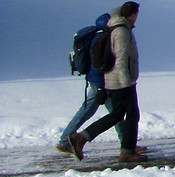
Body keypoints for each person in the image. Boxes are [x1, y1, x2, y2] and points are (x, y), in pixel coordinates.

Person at [55, 12, 144, 155]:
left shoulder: (99, 35)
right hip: (102, 82)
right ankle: (127, 145)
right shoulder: (103, 38)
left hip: (97, 81)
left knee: (93, 111)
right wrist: (102, 86)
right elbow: (99, 64)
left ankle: (65, 141)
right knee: (116, 113)